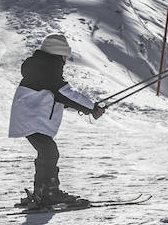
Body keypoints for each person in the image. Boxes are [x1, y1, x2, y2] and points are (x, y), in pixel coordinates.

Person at [8, 34, 102, 209]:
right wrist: (91, 107)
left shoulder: (41, 66)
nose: (66, 60)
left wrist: (85, 107)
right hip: (32, 119)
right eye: (65, 56)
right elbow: (65, 93)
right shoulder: (48, 68)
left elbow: (54, 95)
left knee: (46, 152)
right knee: (50, 152)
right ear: (58, 53)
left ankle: (40, 192)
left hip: (30, 118)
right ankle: (50, 192)